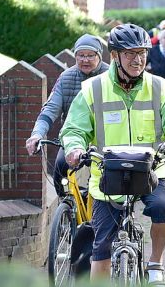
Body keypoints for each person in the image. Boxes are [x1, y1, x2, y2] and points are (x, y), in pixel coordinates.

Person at [60, 23, 165, 287]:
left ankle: (155, 263)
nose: (138, 59)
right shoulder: (92, 89)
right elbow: (73, 128)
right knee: (102, 248)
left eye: (142, 53)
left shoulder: (159, 87)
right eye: (130, 53)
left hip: (152, 168)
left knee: (163, 206)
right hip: (107, 172)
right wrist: (74, 148)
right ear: (115, 56)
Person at [25, 34, 109, 189]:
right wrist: (37, 134)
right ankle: (68, 207)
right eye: (80, 55)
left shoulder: (111, 77)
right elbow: (50, 109)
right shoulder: (66, 77)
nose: (85, 60)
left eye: (90, 55)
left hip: (105, 138)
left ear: (99, 56)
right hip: (74, 136)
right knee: (61, 168)